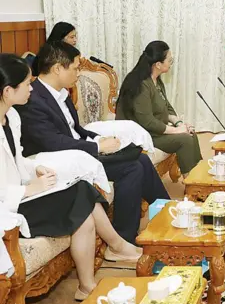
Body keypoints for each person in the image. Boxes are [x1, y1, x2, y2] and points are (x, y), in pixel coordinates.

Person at [0, 54, 141, 301]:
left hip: (21, 194)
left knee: (82, 197)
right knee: (80, 197)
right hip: (8, 207)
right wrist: (29, 189)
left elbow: (17, 160)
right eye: (27, 84)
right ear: (8, 91)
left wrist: (35, 169)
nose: (31, 89)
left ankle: (89, 284)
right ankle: (114, 250)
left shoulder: (11, 117)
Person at [17, 42, 168, 244]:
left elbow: (75, 129)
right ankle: (124, 239)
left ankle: (167, 213)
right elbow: (53, 142)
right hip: (59, 159)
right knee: (132, 168)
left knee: (140, 158)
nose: (78, 73)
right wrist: (97, 147)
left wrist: (98, 139)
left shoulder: (60, 93)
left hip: (78, 150)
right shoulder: (32, 100)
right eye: (75, 68)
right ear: (57, 69)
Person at [115, 41, 202, 177]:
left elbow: (166, 106)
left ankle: (197, 179)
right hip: (141, 135)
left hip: (154, 131)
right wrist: (176, 131)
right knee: (185, 140)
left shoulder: (156, 79)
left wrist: (179, 124)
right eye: (169, 60)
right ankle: (191, 183)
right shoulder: (141, 85)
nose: (171, 63)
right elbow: (147, 121)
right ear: (158, 64)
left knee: (191, 134)